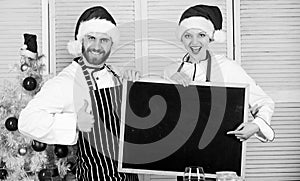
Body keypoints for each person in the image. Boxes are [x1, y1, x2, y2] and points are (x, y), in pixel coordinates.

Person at [18, 6, 139, 181]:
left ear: (112, 44)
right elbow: (26, 121)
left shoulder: (115, 75)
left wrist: (135, 90)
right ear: (80, 41)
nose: (97, 46)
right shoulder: (66, 81)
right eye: (91, 38)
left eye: (104, 39)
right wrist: (74, 123)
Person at [164, 4, 275, 143]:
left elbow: (264, 102)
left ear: (210, 38)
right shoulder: (170, 71)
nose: (194, 42)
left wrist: (256, 125)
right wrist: (133, 79)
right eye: (188, 35)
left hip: (218, 150)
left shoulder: (227, 67)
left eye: (201, 35)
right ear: (181, 38)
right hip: (177, 150)